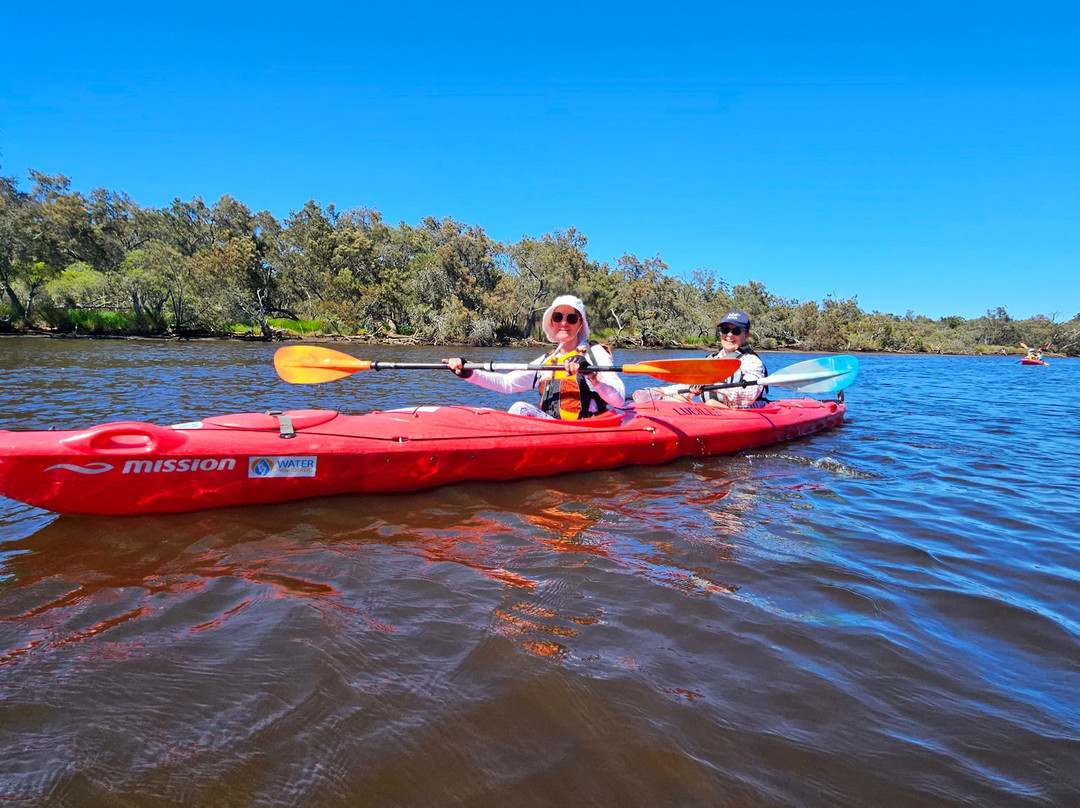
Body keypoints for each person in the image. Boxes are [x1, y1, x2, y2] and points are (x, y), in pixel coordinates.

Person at [443, 294, 625, 419]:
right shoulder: (547, 361)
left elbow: (618, 400)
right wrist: (469, 372)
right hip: (551, 428)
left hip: (587, 430)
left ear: (580, 324)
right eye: (558, 316)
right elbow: (507, 384)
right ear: (552, 323)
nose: (563, 323)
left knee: (520, 408)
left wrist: (591, 374)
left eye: (571, 318)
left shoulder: (595, 353)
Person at [632, 310, 768, 409]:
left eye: (736, 331)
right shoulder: (711, 359)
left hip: (744, 413)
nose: (729, 335)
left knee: (710, 404)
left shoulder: (751, 361)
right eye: (725, 330)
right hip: (715, 411)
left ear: (746, 334)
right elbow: (688, 385)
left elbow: (749, 395)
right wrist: (660, 392)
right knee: (677, 399)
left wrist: (714, 387)